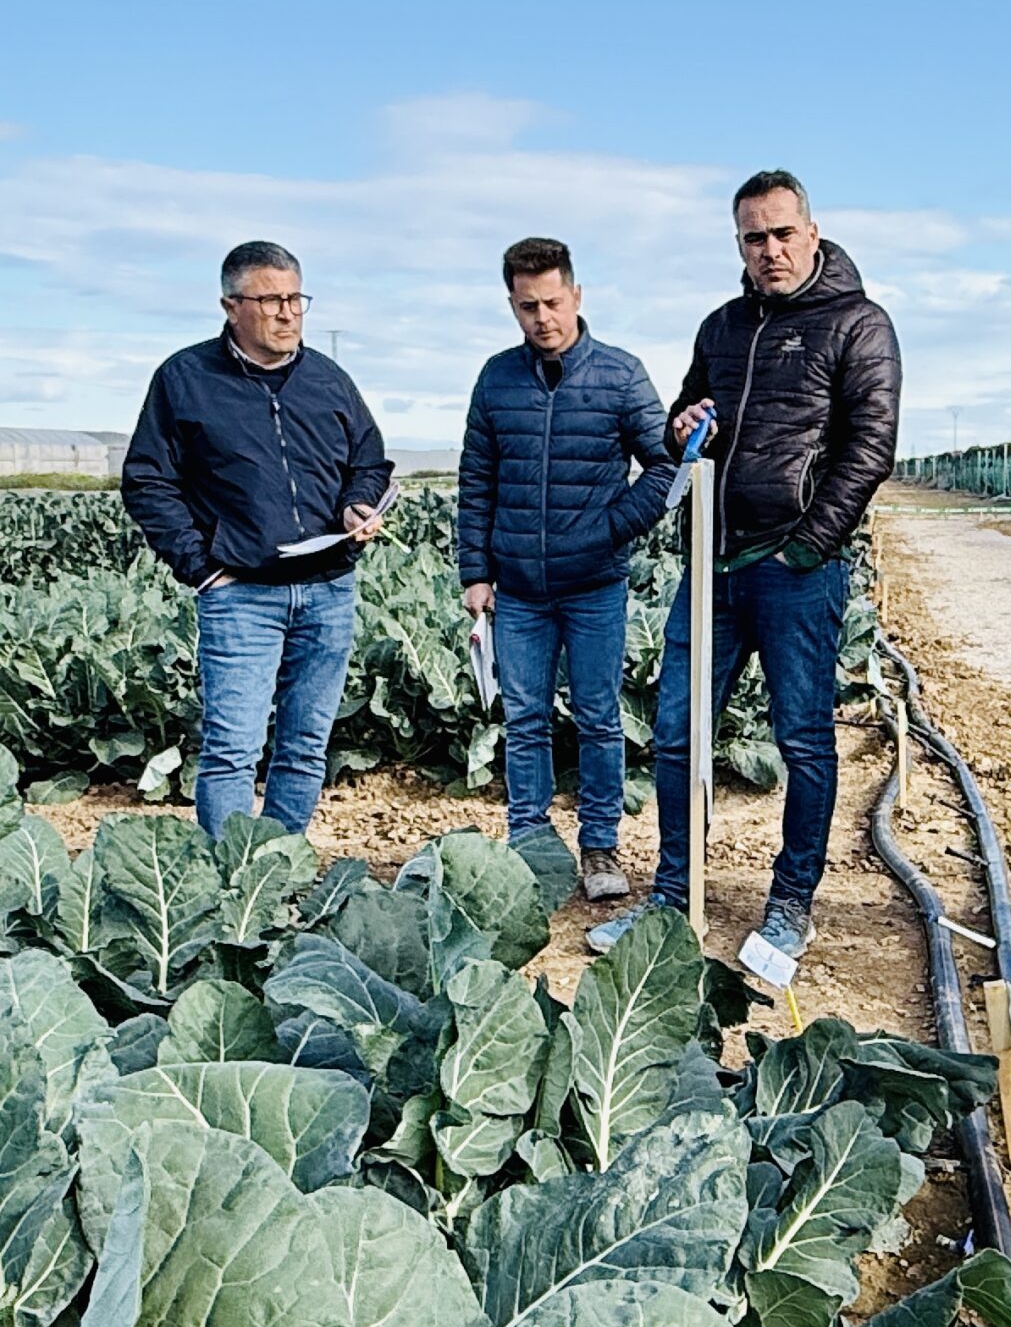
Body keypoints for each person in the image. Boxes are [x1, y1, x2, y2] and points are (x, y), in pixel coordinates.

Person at [588, 171, 901, 958]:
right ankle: (669, 898)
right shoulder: (722, 327)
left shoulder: (858, 325)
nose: (770, 250)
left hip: (796, 567)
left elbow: (869, 449)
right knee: (675, 732)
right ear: (739, 244)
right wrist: (678, 423)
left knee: (802, 741)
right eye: (753, 238)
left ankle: (791, 902)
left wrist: (808, 544)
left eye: (782, 233)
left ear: (812, 231)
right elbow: (686, 424)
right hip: (714, 567)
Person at [121, 241, 390, 839]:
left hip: (328, 590)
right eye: (271, 299)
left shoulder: (328, 377)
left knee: (304, 747)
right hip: (241, 596)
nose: (288, 312)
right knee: (232, 751)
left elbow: (369, 459)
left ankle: (278, 870)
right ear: (230, 306)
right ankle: (227, 884)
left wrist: (357, 504)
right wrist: (202, 566)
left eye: (296, 298)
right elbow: (146, 480)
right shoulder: (185, 379)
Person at [456, 238, 675, 903]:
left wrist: (610, 528)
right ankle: (528, 844)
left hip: (594, 586)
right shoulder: (496, 378)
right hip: (519, 590)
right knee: (523, 720)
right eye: (527, 306)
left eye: (552, 301)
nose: (542, 317)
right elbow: (477, 479)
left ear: (576, 296)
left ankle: (600, 847)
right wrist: (475, 570)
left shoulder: (619, 374)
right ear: (511, 306)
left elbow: (665, 466)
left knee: (599, 718)